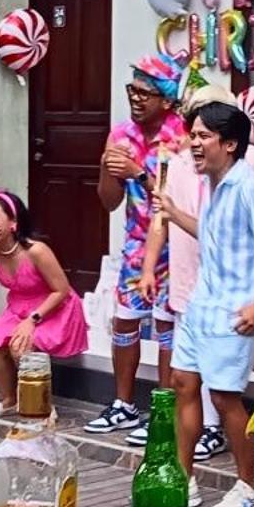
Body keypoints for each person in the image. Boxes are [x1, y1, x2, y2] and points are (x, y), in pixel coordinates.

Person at [155, 99, 254, 507]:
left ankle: (250, 486)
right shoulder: (214, 183)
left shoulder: (250, 186)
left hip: (236, 309)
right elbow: (213, 235)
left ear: (229, 144)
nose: (193, 144)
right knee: (182, 382)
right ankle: (184, 477)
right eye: (191, 135)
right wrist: (175, 214)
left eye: (202, 137)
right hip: (203, 304)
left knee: (225, 397)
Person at [86, 55, 186, 438]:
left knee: (166, 327)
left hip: (176, 247)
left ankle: (164, 412)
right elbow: (109, 201)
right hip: (136, 244)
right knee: (124, 321)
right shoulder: (120, 135)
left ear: (166, 100)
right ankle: (124, 405)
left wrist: (137, 173)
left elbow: (176, 197)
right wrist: (107, 169)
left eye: (146, 92)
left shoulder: (182, 138)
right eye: (133, 90)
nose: (136, 99)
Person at [0, 190, 87, 411]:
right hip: (18, 307)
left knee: (20, 347)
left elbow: (61, 290)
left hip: (53, 307)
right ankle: (9, 399)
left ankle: (39, 406)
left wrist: (32, 320)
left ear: (13, 223)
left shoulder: (36, 250)